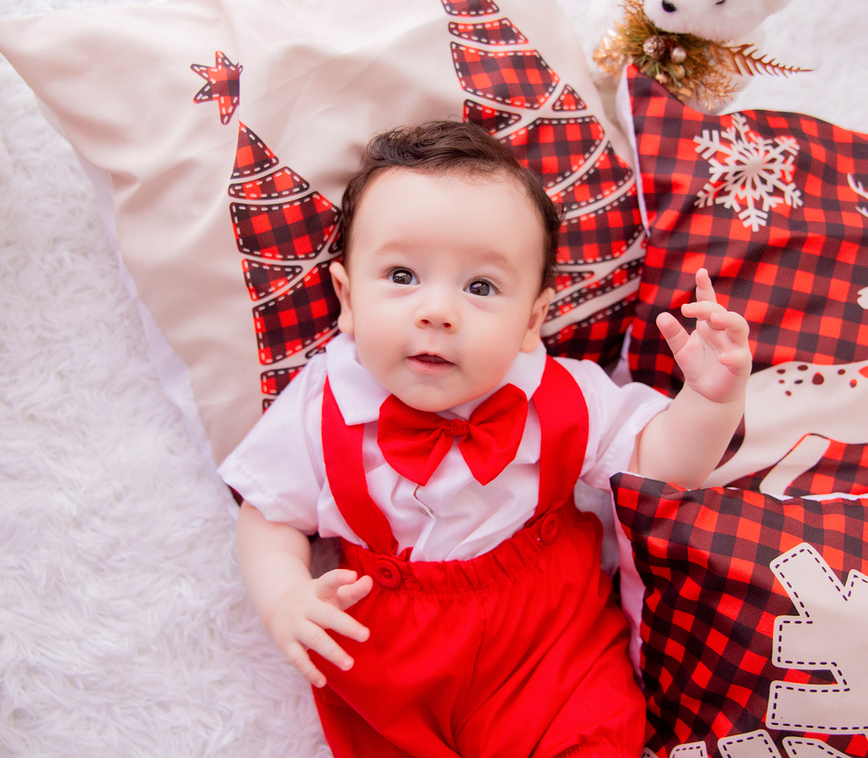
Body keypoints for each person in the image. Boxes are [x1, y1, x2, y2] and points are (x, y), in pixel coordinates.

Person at [223, 121, 751, 757]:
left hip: (550, 644)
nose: (437, 310)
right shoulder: (321, 403)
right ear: (347, 300)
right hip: (388, 663)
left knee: (598, 736)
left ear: (531, 321)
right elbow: (267, 515)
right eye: (400, 275)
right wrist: (284, 597)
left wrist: (709, 401)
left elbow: (660, 468)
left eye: (480, 287)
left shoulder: (562, 395)